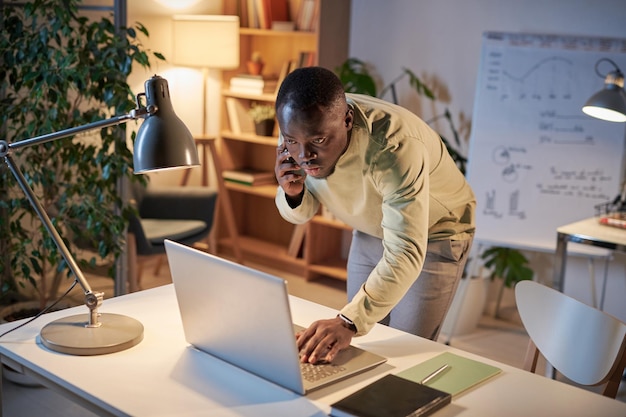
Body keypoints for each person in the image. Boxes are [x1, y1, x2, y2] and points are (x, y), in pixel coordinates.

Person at [274, 66, 475, 364]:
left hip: (436, 235)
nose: (303, 156)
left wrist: (347, 322)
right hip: (371, 228)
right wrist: (292, 192)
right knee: (364, 345)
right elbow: (302, 214)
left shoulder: (394, 149)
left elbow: (405, 252)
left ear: (347, 120)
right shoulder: (299, 128)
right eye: (291, 141)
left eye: (318, 141)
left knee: (405, 352)